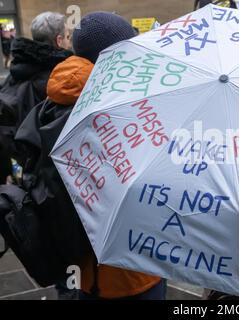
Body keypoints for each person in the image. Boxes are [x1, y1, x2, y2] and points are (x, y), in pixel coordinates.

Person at [15, 11, 165, 300]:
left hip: (82, 266)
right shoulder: (116, 108)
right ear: (116, 56)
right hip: (134, 270)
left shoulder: (58, 97)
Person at [0, 12, 72, 184]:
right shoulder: (60, 77)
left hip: (21, 164)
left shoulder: (17, 70)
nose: (70, 42)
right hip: (48, 171)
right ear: (59, 40)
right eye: (68, 37)